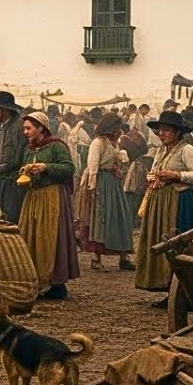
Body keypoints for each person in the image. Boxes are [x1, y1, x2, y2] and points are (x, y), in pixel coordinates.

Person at [134, 110, 193, 306]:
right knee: (161, 243)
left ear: (177, 132)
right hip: (160, 203)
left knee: (178, 245)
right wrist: (153, 176)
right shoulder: (160, 151)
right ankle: (169, 290)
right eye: (159, 130)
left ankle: (185, 292)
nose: (161, 134)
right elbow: (155, 171)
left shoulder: (186, 150)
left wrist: (175, 175)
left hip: (180, 202)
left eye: (165, 130)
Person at [18, 111, 80, 300]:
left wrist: (46, 167)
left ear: (40, 128)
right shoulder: (29, 149)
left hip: (53, 195)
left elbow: (69, 168)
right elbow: (24, 165)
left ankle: (57, 284)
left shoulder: (56, 146)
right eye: (24, 128)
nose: (25, 132)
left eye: (29, 128)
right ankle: (35, 280)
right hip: (34, 196)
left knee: (52, 236)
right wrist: (25, 171)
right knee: (31, 236)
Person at [75, 114, 135, 271]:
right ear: (110, 127)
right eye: (116, 127)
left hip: (114, 184)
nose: (119, 130)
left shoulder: (113, 143)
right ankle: (96, 258)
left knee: (119, 218)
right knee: (100, 218)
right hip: (101, 184)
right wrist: (92, 186)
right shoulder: (98, 142)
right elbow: (93, 165)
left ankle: (124, 257)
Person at [0, 91, 26, 224]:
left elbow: (19, 156)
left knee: (12, 217)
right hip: (0, 179)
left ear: (5, 110)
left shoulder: (19, 125)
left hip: (14, 181)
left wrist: (3, 166)